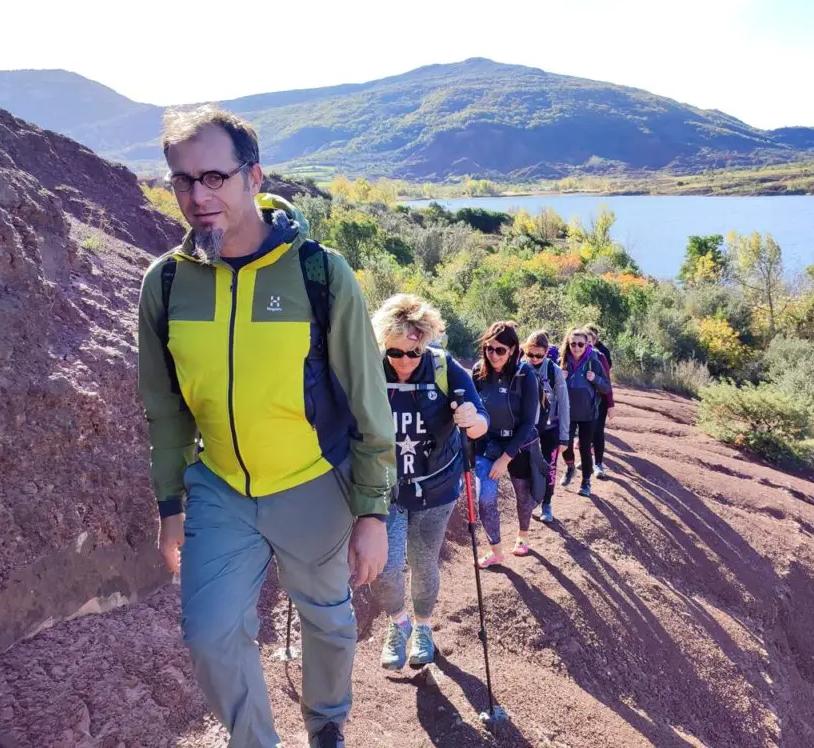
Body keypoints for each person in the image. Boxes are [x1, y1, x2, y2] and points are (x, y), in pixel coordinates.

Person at [137, 105, 395, 748]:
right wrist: (171, 503)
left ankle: (327, 724)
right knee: (209, 632)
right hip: (221, 487)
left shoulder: (319, 274)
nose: (198, 196)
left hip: (312, 482)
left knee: (329, 623)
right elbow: (165, 408)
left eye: (215, 177)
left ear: (254, 177)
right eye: (182, 180)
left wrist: (371, 512)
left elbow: (368, 404)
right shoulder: (166, 284)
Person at [371, 295, 489, 671]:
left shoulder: (445, 368)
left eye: (414, 353)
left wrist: (471, 419)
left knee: (423, 564)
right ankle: (398, 624)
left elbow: (480, 422)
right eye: (395, 352)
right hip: (386, 490)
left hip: (436, 490)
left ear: (426, 345)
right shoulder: (370, 369)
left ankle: (423, 628)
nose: (405, 361)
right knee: (384, 568)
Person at [471, 321, 542, 567]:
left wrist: (506, 458)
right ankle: (496, 552)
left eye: (500, 350)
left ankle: (523, 536)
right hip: (487, 444)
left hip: (518, 444)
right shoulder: (479, 372)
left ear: (512, 350)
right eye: (489, 349)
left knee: (523, 494)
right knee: (485, 498)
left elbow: (527, 423)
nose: (493, 355)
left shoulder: (525, 375)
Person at [523, 331, 570, 523]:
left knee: (549, 466)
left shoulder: (554, 371)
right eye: (530, 354)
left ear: (546, 353)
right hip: (527, 426)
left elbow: (565, 403)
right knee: (527, 466)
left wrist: (565, 437)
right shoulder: (521, 367)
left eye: (538, 355)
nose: (534, 359)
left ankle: (547, 503)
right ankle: (531, 499)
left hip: (551, 426)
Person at [559, 328, 611, 498]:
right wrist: (560, 377)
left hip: (588, 414)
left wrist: (594, 378)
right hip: (568, 413)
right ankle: (570, 467)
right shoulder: (562, 362)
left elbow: (606, 387)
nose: (576, 347)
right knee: (565, 445)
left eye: (580, 344)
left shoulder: (594, 362)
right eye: (573, 344)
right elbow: (550, 389)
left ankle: (586, 482)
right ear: (568, 344)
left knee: (584, 448)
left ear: (586, 344)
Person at [583, 323, 615, 480]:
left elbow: (607, 381)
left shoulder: (601, 356)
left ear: (594, 341)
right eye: (583, 342)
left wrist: (610, 404)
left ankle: (598, 464)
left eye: (589, 341)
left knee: (597, 431)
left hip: (599, 401)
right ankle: (586, 460)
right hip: (582, 402)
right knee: (584, 432)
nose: (586, 345)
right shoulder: (573, 357)